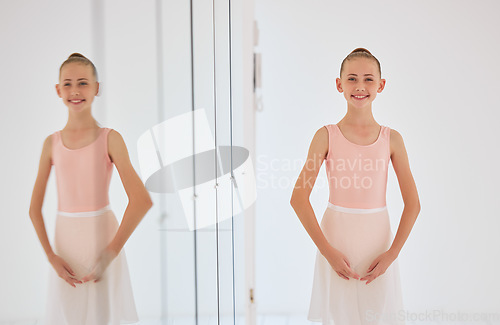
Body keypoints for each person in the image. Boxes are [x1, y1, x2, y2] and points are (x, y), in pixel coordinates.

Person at [290, 48, 420, 324]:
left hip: (378, 241)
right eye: (351, 79)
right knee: (338, 314)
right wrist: (328, 252)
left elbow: (413, 204)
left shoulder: (392, 139)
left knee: (379, 314)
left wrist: (392, 254)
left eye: (368, 79)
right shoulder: (325, 136)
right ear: (339, 84)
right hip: (337, 239)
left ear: (381, 85)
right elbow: (299, 198)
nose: (360, 86)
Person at [29, 53, 153, 325]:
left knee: (104, 315)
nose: (75, 90)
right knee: (69, 314)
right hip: (66, 244)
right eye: (68, 83)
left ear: (97, 88)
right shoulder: (52, 143)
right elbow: (34, 209)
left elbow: (141, 200)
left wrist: (110, 252)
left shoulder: (110, 138)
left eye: (83, 83)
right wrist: (51, 256)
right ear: (58, 90)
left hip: (103, 239)